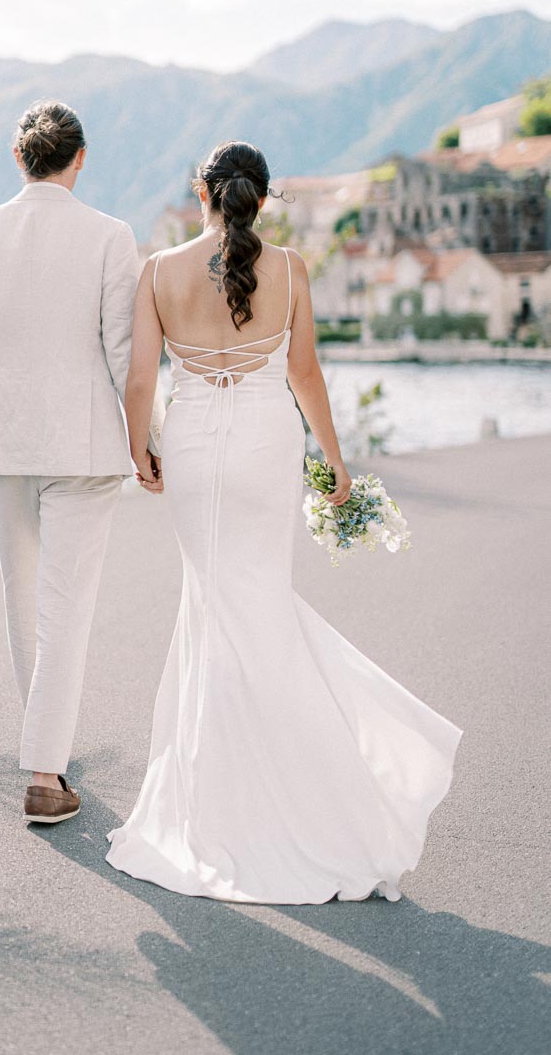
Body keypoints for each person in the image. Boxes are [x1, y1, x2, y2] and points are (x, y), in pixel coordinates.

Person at [105, 141, 462, 903]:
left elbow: (141, 377)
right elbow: (304, 373)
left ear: (199, 191)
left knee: (212, 610)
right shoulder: (294, 269)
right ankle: (310, 795)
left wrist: (138, 450)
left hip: (196, 450)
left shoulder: (158, 271)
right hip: (268, 446)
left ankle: (218, 802)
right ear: (262, 199)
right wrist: (335, 461)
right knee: (257, 606)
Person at [0, 99, 166, 826]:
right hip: (85, 442)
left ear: (18, 159)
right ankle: (42, 770)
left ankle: (49, 755)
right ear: (81, 158)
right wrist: (146, 441)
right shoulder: (109, 236)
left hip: (2, 443)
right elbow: (127, 353)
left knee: (22, 596)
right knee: (66, 606)